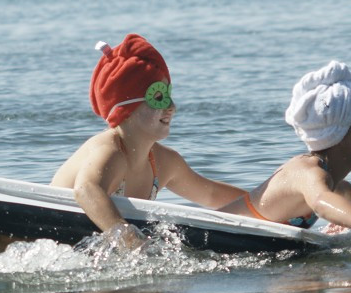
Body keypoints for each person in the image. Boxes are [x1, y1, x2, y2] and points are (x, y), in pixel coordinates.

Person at [51, 34, 246, 243]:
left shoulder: (164, 163)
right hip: (46, 225)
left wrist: (270, 210)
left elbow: (211, 195)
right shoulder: (110, 150)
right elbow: (86, 189)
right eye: (159, 98)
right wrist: (129, 239)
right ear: (126, 109)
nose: (172, 107)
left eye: (170, 95)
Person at [218, 61, 351, 261]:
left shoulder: (342, 190)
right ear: (340, 132)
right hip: (215, 236)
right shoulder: (306, 172)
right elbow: (321, 201)